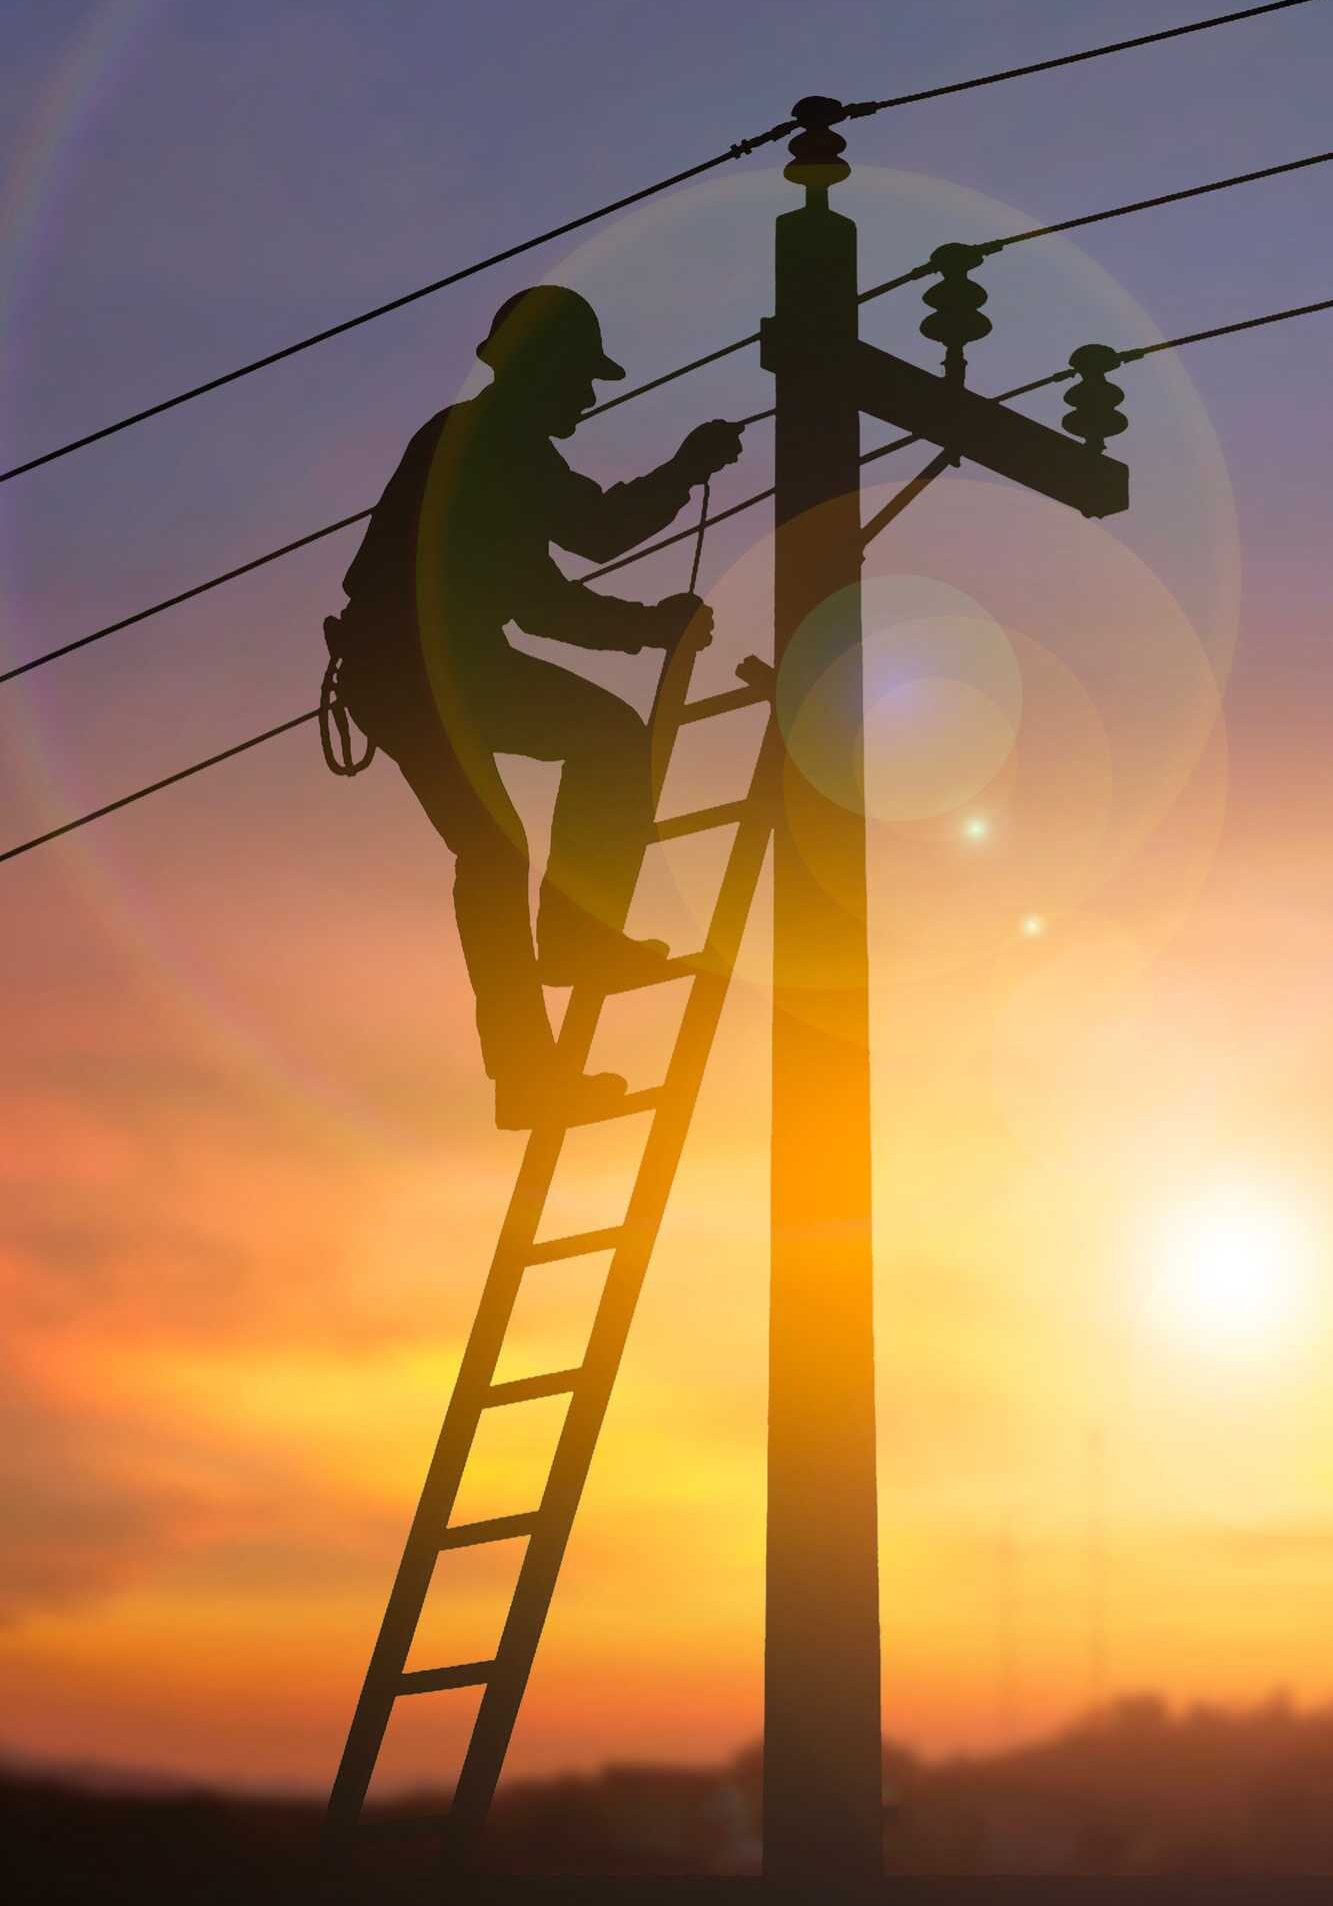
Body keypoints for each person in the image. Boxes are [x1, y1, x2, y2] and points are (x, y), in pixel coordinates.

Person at [326, 284, 742, 1129]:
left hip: (438, 665)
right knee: (495, 845)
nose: (587, 397)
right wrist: (682, 475)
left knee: (588, 751)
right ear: (538, 370)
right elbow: (583, 547)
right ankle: (536, 1044)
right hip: (414, 669)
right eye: (577, 378)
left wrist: (646, 625)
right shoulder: (483, 442)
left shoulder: (488, 444)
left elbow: (542, 595)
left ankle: (565, 964)